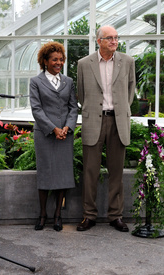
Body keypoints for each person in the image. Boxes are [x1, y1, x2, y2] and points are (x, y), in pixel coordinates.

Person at [76, 25, 136, 232]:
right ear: (99, 40)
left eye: (116, 37)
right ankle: (89, 215)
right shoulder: (84, 64)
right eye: (109, 38)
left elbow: (130, 91)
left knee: (116, 172)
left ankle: (115, 216)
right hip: (93, 120)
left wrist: (120, 111)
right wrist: (94, 111)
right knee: (90, 171)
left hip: (118, 121)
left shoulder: (128, 61)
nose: (114, 41)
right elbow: (81, 94)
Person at [29, 41, 78, 232]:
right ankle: (43, 215)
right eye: (54, 60)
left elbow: (73, 107)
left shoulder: (69, 82)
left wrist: (67, 127)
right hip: (45, 135)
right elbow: (36, 109)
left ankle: (58, 215)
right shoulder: (36, 82)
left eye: (61, 59)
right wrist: (53, 129)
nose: (59, 63)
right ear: (45, 61)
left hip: (65, 136)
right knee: (45, 174)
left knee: (63, 175)